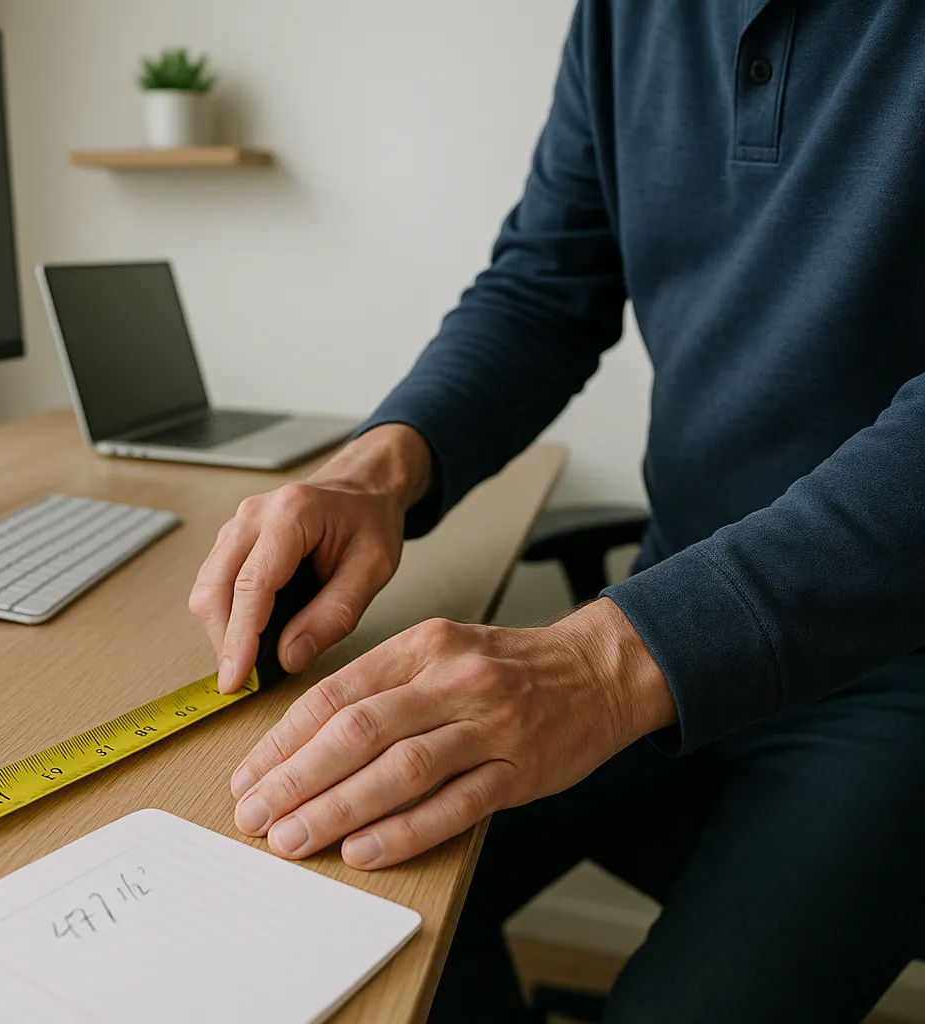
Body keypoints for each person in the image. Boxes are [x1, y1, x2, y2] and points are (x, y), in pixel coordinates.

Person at [188, 3, 925, 1021]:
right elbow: (548, 281)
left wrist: (600, 662)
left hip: (894, 672)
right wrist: (377, 469)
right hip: (668, 594)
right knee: (319, 907)